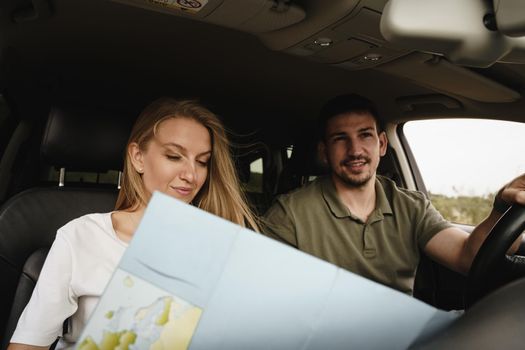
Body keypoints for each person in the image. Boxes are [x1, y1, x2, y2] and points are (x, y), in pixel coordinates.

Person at [9, 98, 259, 350]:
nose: (191, 175)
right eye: (174, 156)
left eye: (203, 161)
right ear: (138, 157)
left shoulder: (218, 249)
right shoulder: (82, 236)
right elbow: (27, 345)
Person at [263, 93, 525, 295]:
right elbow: (268, 290)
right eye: (340, 138)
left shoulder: (411, 207)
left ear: (382, 144)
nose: (355, 150)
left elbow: (468, 257)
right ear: (324, 152)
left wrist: (501, 209)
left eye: (365, 135)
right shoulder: (289, 213)